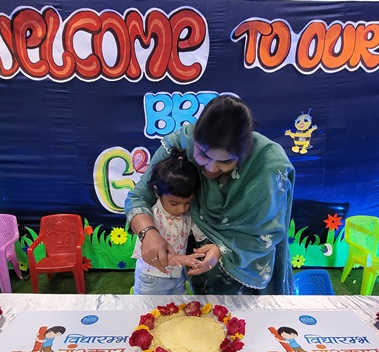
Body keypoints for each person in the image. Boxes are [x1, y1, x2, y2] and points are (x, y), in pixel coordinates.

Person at [126, 95, 295, 295]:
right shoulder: (180, 145)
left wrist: (220, 250)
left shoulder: (268, 165)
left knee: (247, 314)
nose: (211, 168)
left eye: (226, 161)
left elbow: (266, 232)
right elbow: (139, 197)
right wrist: (148, 233)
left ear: (243, 155)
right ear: (195, 138)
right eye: (203, 155)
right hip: (199, 265)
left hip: (248, 265)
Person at [131, 150, 205, 295]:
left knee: (178, 308)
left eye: (188, 202)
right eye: (174, 203)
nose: (181, 209)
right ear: (157, 192)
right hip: (152, 277)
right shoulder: (151, 217)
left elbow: (201, 236)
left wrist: (202, 255)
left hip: (178, 276)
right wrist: (176, 259)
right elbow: (146, 252)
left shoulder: (188, 215)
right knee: (148, 308)